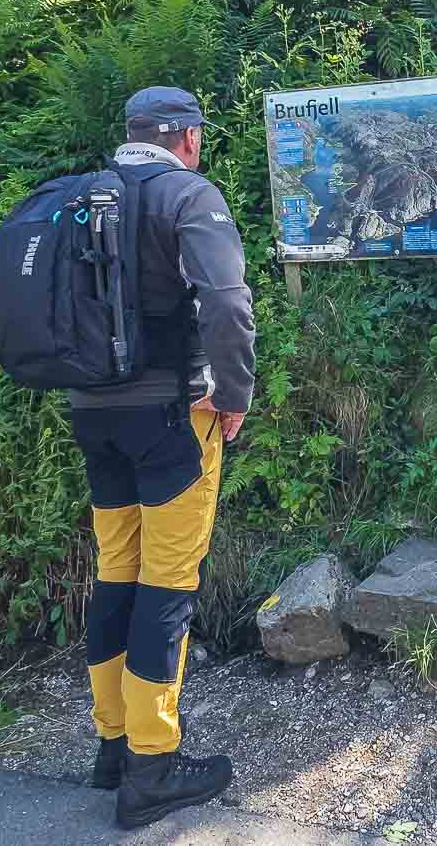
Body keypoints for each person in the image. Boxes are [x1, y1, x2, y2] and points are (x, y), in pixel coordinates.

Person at [69, 86, 255, 829]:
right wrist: (233, 393)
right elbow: (228, 304)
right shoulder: (186, 195)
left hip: (93, 415)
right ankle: (152, 768)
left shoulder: (85, 196)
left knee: (116, 571)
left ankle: (110, 747)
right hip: (173, 418)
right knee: (167, 584)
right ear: (185, 136)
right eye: (200, 135)